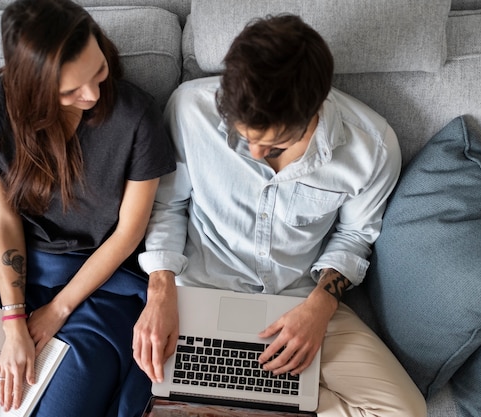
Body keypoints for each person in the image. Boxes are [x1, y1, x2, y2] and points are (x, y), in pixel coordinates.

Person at [133, 14, 427, 417]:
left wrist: (319, 308)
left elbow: (355, 237)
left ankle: (261, 401)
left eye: (272, 144)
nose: (254, 153)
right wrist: (160, 288)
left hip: (299, 301)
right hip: (200, 296)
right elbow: (167, 205)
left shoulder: (372, 147)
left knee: (405, 412)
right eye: (244, 137)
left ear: (314, 111)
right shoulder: (190, 109)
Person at [0, 0, 175, 415]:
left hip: (102, 273)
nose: (93, 94)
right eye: (70, 91)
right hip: (17, 262)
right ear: (31, 89)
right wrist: (14, 319)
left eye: (98, 70)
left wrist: (57, 310)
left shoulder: (136, 115)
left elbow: (129, 232)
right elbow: (4, 218)